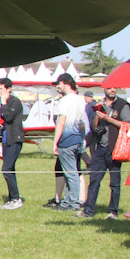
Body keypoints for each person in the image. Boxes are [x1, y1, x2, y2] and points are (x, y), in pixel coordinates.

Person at [83, 84, 130, 219]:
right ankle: (89, 210)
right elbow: (94, 126)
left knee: (114, 183)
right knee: (94, 180)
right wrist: (98, 115)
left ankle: (113, 212)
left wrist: (109, 119)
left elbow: (126, 125)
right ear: (104, 89)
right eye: (109, 88)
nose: (113, 90)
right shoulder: (100, 104)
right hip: (100, 148)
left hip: (115, 148)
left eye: (115, 87)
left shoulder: (122, 104)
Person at [47, 73, 87, 211]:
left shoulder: (64, 101)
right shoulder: (81, 100)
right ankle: (67, 201)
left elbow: (61, 123)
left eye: (59, 84)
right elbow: (82, 124)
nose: (57, 86)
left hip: (67, 140)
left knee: (71, 173)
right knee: (71, 171)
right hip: (77, 139)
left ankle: (73, 203)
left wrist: (55, 142)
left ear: (65, 83)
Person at [0, 78, 25, 209]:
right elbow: (4, 119)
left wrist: (3, 103)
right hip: (7, 139)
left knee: (6, 169)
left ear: (8, 89)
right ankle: (12, 198)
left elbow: (9, 117)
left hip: (15, 139)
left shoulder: (14, 102)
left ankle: (16, 199)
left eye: (1, 89)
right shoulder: (5, 103)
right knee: (9, 169)